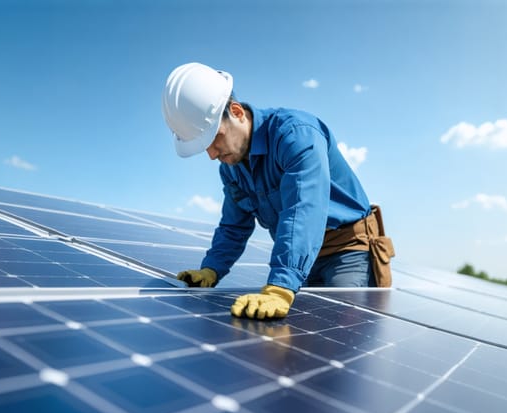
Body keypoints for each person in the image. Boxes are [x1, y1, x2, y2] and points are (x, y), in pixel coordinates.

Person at [161, 62, 394, 320]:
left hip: (347, 249)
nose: (212, 154)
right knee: (305, 338)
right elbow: (233, 227)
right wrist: (211, 270)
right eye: (203, 147)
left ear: (236, 112)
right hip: (304, 256)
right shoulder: (231, 168)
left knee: (337, 327)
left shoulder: (296, 135)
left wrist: (282, 285)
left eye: (214, 138)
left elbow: (303, 210)